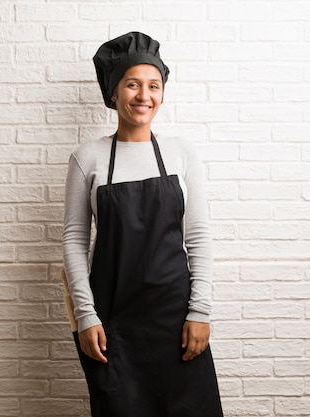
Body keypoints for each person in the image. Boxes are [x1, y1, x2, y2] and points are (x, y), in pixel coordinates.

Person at [62, 32, 224, 416]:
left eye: (154, 85)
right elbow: (74, 240)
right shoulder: (88, 158)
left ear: (162, 93)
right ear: (113, 92)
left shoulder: (181, 153)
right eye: (132, 84)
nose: (143, 95)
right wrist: (86, 317)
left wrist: (199, 312)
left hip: (177, 323)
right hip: (113, 325)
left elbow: (198, 237)